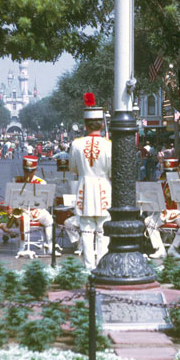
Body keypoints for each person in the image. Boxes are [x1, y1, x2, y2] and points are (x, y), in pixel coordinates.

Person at [69, 94, 111, 269]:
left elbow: (72, 168)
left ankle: (88, 267)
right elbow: (113, 170)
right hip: (103, 188)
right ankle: (101, 265)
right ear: (101, 124)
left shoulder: (76, 144)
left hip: (84, 188)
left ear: (85, 125)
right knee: (103, 230)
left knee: (86, 230)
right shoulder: (109, 144)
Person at [11, 155, 57, 257]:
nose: (28, 173)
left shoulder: (41, 182)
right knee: (24, 220)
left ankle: (50, 246)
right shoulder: (17, 181)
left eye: (31, 171)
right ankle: (22, 247)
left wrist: (38, 209)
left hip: (37, 209)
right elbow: (13, 199)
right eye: (26, 171)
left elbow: (45, 201)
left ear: (35, 170)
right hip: (23, 210)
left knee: (49, 220)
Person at [144, 158, 180, 259]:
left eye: (172, 172)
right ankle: (160, 249)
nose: (169, 175)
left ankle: (173, 248)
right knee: (148, 221)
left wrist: (179, 194)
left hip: (179, 213)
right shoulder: (161, 184)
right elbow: (154, 200)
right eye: (167, 172)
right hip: (164, 213)